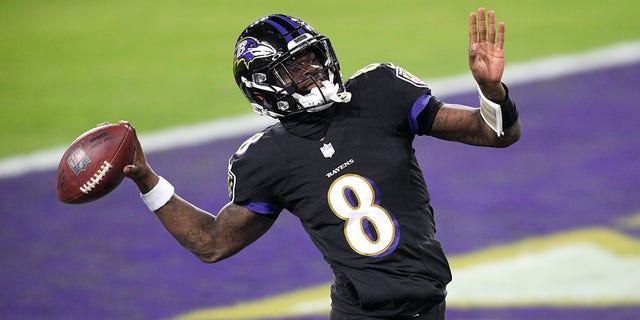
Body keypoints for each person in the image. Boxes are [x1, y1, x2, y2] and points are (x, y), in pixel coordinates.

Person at [122, 8, 521, 320]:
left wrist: (492, 91)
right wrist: (148, 180)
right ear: (264, 88)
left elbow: (496, 134)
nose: (312, 69)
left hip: (430, 303)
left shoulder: (380, 92)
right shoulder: (267, 158)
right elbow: (211, 243)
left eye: (311, 56)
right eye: (293, 67)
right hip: (362, 314)